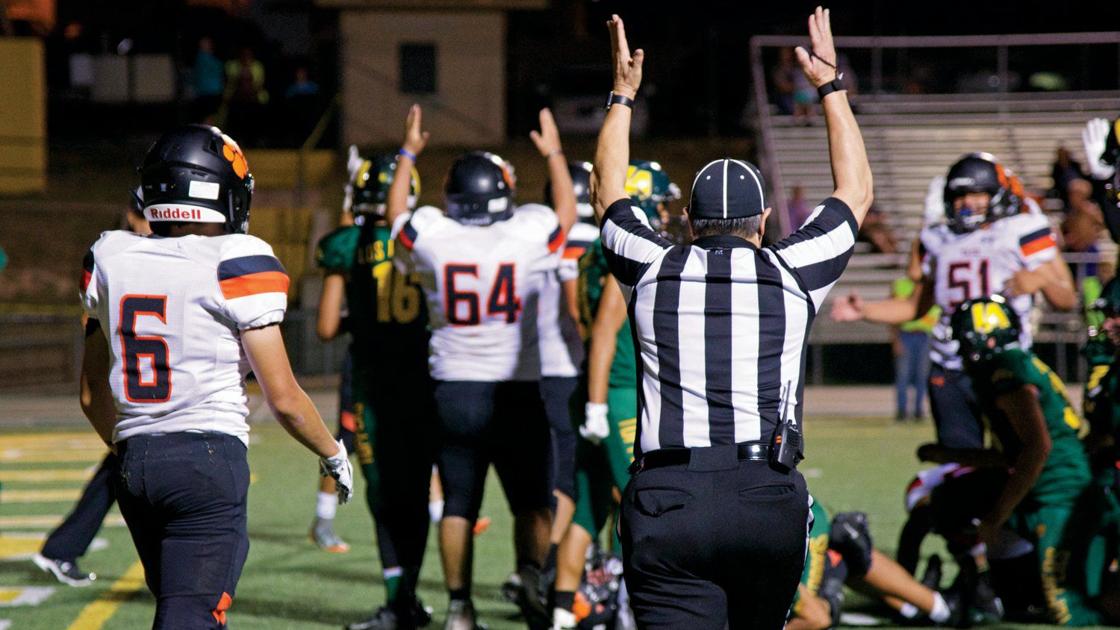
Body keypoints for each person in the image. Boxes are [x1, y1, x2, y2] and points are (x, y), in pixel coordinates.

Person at [594, 9, 873, 627]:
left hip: (669, 498)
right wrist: (830, 86)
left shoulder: (651, 266)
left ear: (689, 224)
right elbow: (855, 192)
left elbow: (607, 191)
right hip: (762, 497)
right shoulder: (791, 273)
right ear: (764, 223)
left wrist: (622, 96)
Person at [78, 124, 352, 628]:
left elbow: (91, 392)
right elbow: (285, 398)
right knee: (191, 615)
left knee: (182, 606)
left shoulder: (109, 256)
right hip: (206, 462)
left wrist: (130, 448)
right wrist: (332, 452)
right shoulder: (237, 260)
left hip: (134, 464)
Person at [385, 105, 577, 630]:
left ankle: (459, 608)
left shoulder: (434, 237)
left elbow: (396, 215)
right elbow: (565, 214)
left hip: (455, 390)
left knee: (458, 507)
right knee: (533, 504)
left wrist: (408, 153)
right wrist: (555, 153)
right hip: (518, 390)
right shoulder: (528, 233)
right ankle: (532, 582)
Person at [831, 151, 1077, 450]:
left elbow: (1065, 299)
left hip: (1005, 363)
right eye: (959, 194)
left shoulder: (1020, 231)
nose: (966, 202)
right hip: (951, 365)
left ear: (995, 195)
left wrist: (1039, 280)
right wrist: (864, 310)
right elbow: (913, 307)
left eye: (976, 193)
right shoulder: (937, 239)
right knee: (960, 463)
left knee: (1019, 457)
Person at [550, 160, 677, 630]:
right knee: (643, 504)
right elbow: (603, 330)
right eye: (660, 201)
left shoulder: (596, 251)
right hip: (620, 394)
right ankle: (632, 607)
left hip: (600, 391)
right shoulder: (623, 256)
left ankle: (562, 611)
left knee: (588, 506)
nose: (666, 212)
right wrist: (602, 405)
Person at [927, 296, 1106, 626]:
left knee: (1065, 608)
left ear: (981, 339)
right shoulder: (1010, 363)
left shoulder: (1006, 370)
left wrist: (997, 516)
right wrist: (950, 455)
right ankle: (988, 585)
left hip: (1059, 493)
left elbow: (1038, 449)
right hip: (1038, 486)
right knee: (947, 498)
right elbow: (1014, 454)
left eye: (965, 343)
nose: (963, 354)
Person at [32, 190, 152, 587]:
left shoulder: (132, 256)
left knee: (120, 471)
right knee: (130, 468)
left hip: (139, 388)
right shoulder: (118, 258)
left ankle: (61, 548)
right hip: (131, 388)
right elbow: (94, 330)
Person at [890, 277, 937, 421]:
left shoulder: (931, 284)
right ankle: (902, 411)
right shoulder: (900, 285)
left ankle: (918, 410)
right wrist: (896, 339)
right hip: (906, 335)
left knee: (922, 376)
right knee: (903, 376)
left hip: (925, 335)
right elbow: (892, 313)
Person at [192, 36, 224, 123]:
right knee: (205, 115)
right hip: (204, 92)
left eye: (207, 43)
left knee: (212, 115)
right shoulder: (201, 58)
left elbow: (219, 70)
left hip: (214, 92)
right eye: (203, 43)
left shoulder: (212, 58)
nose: (205, 45)